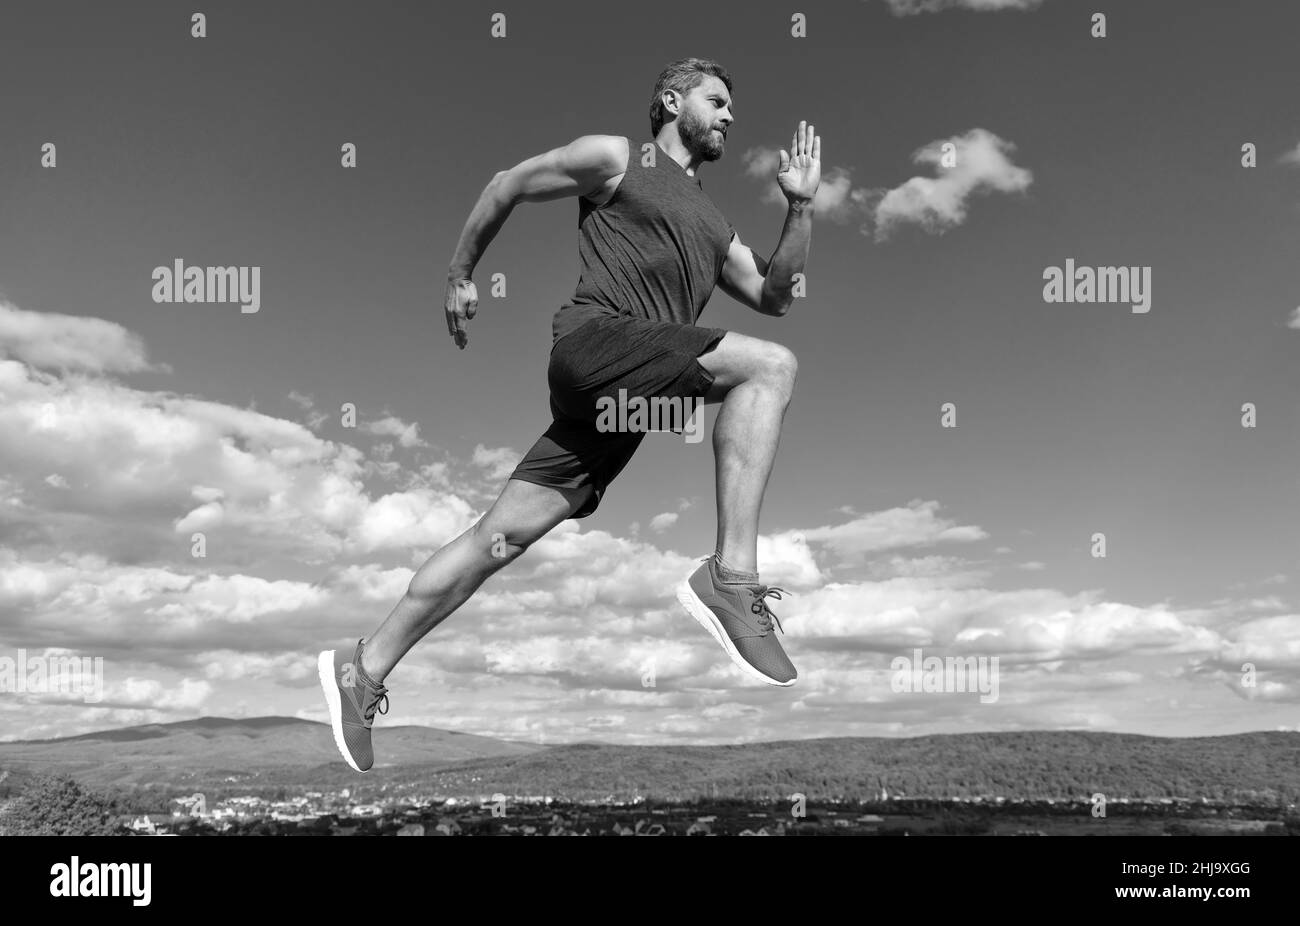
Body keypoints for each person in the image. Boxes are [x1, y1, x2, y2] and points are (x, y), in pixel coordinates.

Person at [319, 57, 820, 772]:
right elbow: (508, 186)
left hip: (626, 406)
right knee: (771, 368)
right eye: (716, 101)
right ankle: (730, 579)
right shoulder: (619, 157)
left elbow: (775, 295)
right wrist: (461, 272)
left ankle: (361, 669)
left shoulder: (717, 226)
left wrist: (800, 208)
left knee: (500, 537)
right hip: (595, 346)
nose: (730, 116)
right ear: (672, 100)